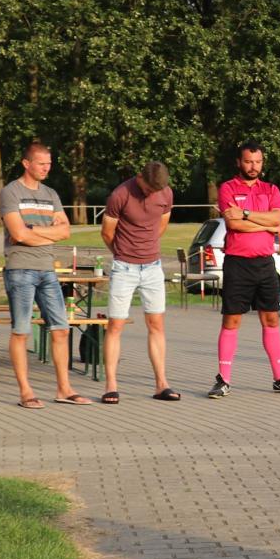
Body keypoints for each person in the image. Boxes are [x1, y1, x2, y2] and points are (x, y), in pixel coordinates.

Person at [0, 141, 90, 409]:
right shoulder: (10, 192)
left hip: (47, 270)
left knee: (61, 329)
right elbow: (17, 234)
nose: (46, 168)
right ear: (26, 163)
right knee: (21, 331)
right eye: (41, 163)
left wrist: (31, 232)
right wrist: (43, 233)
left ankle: (64, 389)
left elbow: (65, 231)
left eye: (49, 164)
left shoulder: (51, 194)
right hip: (20, 270)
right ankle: (26, 391)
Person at [211, 143, 280, 398]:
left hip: (264, 264)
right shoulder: (228, 188)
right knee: (231, 321)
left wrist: (247, 214)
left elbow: (277, 220)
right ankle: (223, 380)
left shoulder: (271, 189)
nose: (253, 167)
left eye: (258, 162)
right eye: (249, 161)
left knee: (271, 320)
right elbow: (233, 223)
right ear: (239, 162)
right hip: (237, 263)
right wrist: (265, 225)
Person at [101, 161, 177, 404]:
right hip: (124, 267)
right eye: (147, 189)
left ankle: (161, 384)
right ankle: (111, 385)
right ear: (139, 177)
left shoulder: (165, 193)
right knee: (116, 325)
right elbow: (107, 232)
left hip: (153, 266)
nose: (150, 193)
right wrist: (123, 253)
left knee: (156, 324)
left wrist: (147, 246)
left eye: (155, 190)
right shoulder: (120, 194)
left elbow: (162, 222)